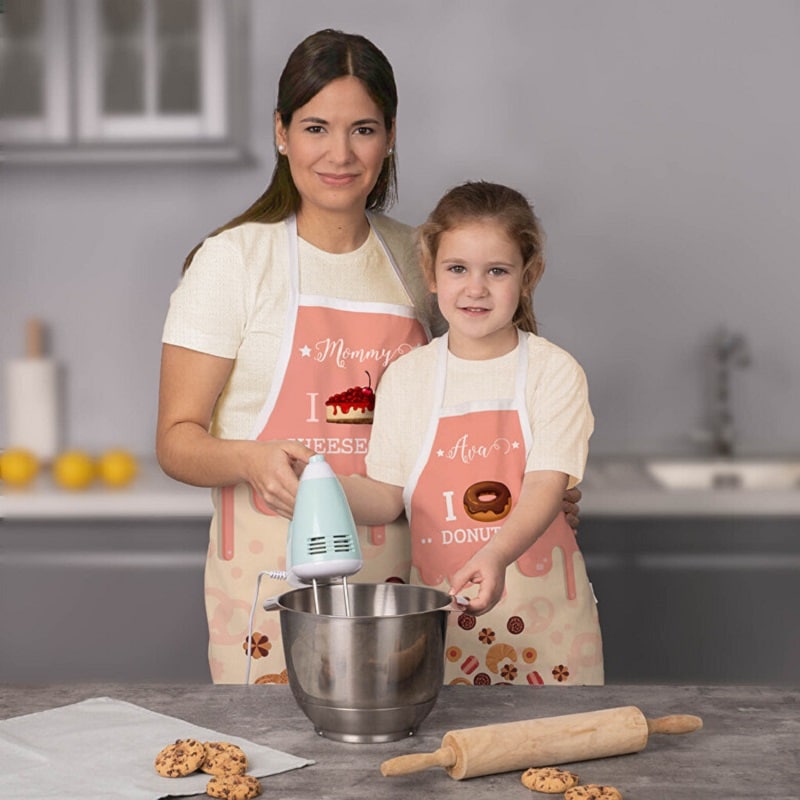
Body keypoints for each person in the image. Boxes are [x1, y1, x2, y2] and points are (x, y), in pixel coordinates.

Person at [156, 29, 582, 685]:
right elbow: (176, 441)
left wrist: (540, 487)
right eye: (316, 127)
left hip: (408, 586)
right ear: (281, 133)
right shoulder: (233, 263)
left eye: (363, 129)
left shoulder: (419, 260)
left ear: (389, 138)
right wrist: (250, 456)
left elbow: (484, 387)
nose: (339, 153)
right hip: (274, 578)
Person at [339, 181, 604, 685]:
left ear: (529, 276)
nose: (475, 288)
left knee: (556, 755)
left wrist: (496, 554)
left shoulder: (554, 372)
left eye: (497, 271)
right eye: (457, 268)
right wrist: (315, 485)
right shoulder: (408, 377)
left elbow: (548, 486)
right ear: (431, 273)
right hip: (442, 626)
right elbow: (387, 498)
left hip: (550, 630)